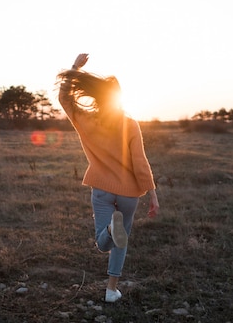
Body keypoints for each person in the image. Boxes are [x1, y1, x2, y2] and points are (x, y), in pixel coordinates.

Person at [57, 53, 160, 303]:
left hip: (102, 189)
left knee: (104, 243)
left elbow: (64, 98)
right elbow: (140, 163)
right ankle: (111, 289)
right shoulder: (130, 124)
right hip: (129, 193)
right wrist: (153, 195)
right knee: (120, 242)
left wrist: (75, 68)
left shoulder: (86, 119)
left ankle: (111, 231)